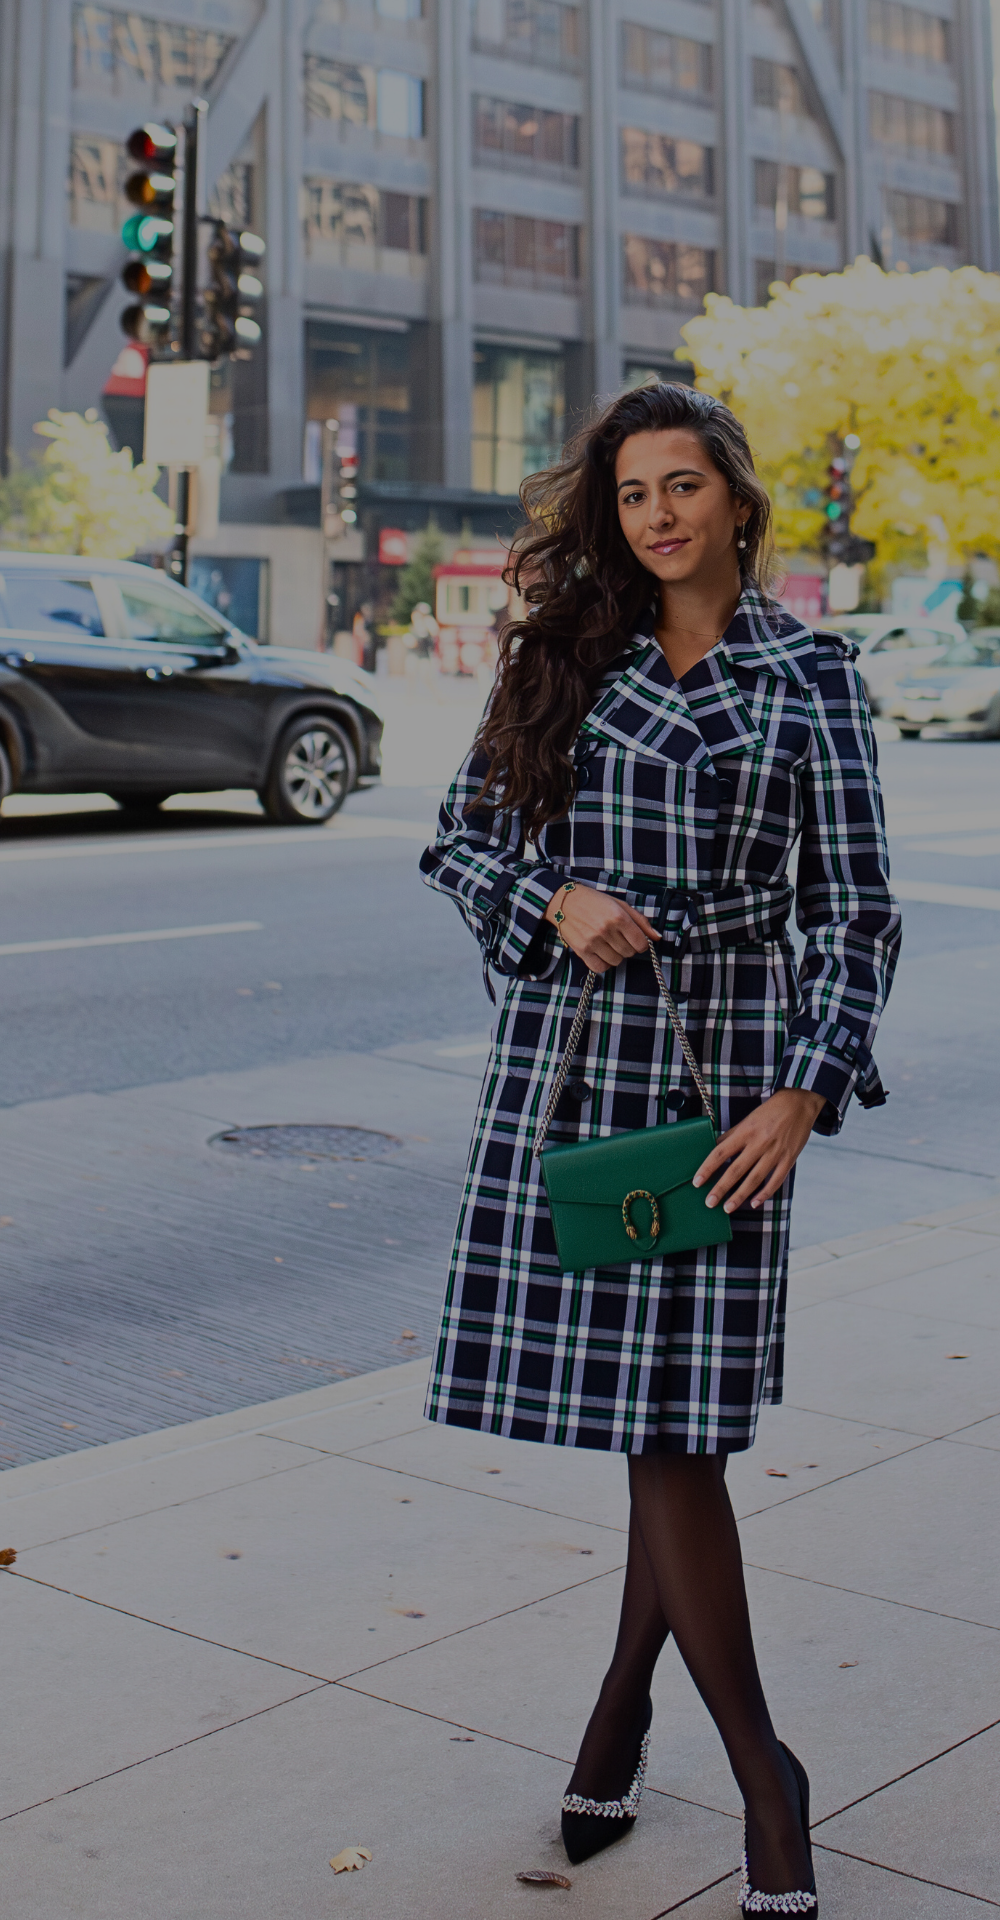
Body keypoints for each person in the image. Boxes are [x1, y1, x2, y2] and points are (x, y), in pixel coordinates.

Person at [418, 383, 900, 1913]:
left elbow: (860, 909)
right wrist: (554, 900)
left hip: (727, 1085)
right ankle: (650, 1735)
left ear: (737, 503)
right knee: (659, 1426)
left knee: (674, 1427)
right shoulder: (568, 655)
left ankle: (760, 1781)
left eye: (683, 486)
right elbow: (461, 836)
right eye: (633, 494)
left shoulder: (812, 677)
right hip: (579, 1072)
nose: (659, 516)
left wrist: (805, 1094)